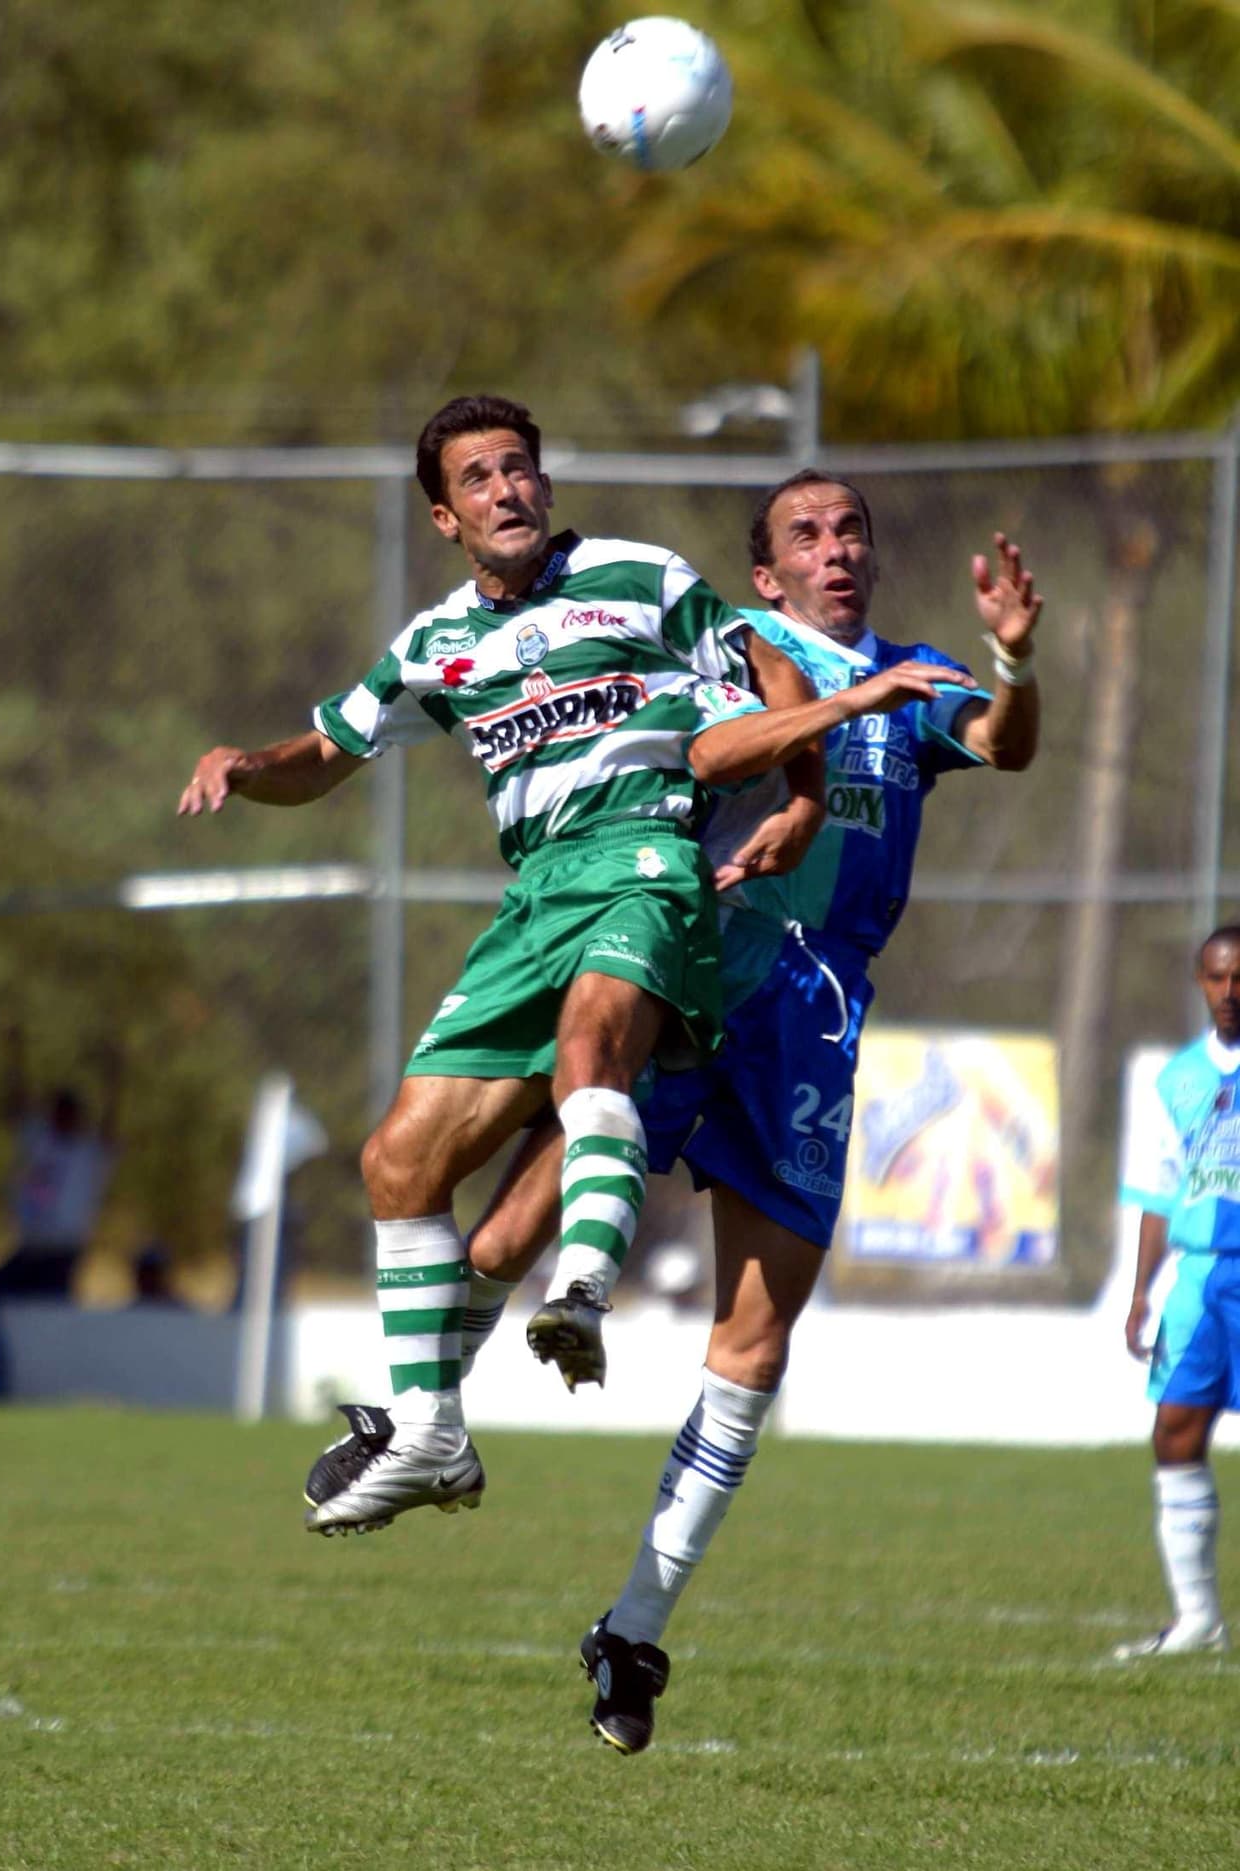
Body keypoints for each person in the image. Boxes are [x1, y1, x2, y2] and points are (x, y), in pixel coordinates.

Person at [178, 397, 939, 1540]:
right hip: (532, 893)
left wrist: (805, 789)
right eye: (478, 478)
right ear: (445, 514)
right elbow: (327, 751)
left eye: (519, 468)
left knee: (593, 1051)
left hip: (643, 857)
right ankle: (429, 1427)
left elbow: (765, 664)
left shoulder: (637, 574)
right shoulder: (437, 643)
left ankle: (581, 1286)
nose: (506, 490)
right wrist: (247, 764)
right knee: (397, 1158)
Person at [464, 470, 1042, 1751]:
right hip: (700, 959)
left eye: (852, 531)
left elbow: (1004, 740)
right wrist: (830, 713)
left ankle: (632, 1626)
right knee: (503, 1236)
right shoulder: (736, 645)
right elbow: (704, 750)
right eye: (806, 535)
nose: (836, 549)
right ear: (767, 574)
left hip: (815, 1011)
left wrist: (1010, 657)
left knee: (755, 1345)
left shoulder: (915, 673)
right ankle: (420, 1414)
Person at [1113, 924, 1240, 1660]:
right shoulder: (1179, 1079)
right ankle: (1198, 1620)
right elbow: (1159, 1193)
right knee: (1176, 1433)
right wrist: (1140, 1292)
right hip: (1199, 1280)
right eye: (1217, 978)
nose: (1230, 992)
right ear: (1200, 982)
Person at [0, 1024, 122, 1300]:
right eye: (57, 1111)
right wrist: (14, 1055)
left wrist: (114, 1078)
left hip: (62, 1251)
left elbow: (110, 1125)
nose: (61, 1118)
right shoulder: (40, 1140)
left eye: (68, 1112)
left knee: (48, 1303)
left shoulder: (88, 1153)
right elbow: (19, 1101)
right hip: (31, 1246)